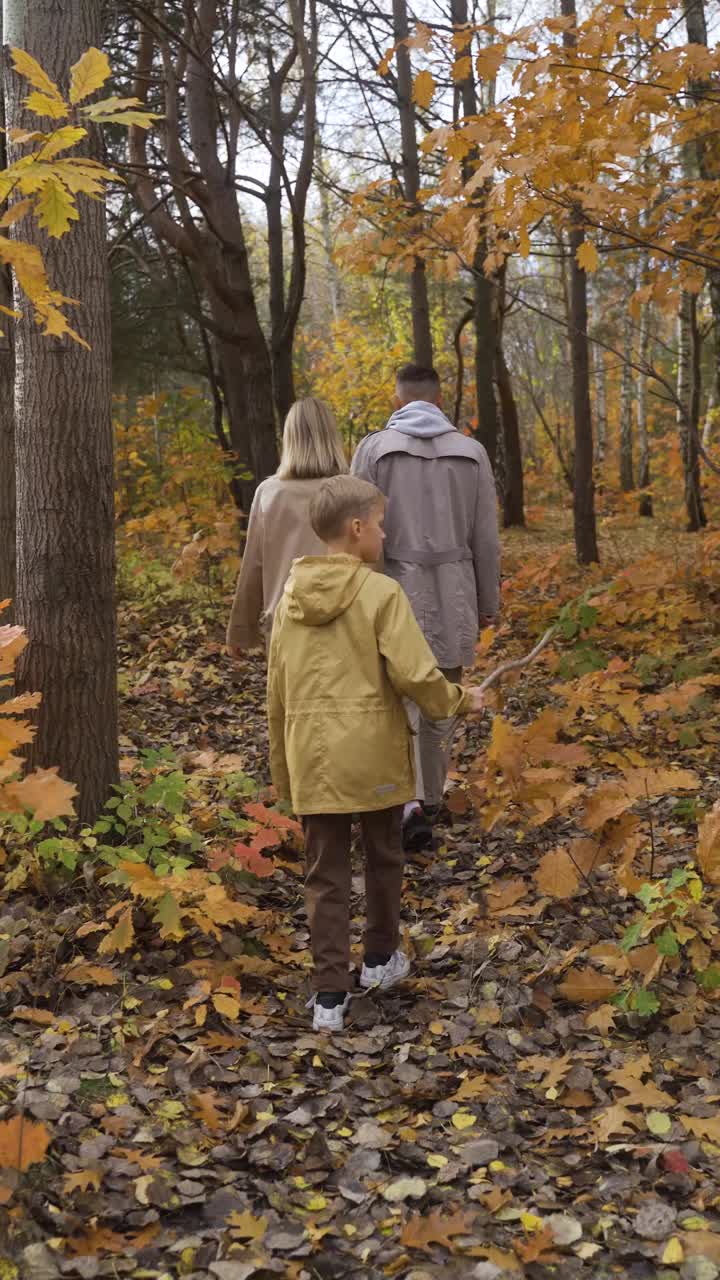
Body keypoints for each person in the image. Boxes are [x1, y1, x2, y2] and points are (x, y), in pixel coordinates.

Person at [267, 475, 484, 1032]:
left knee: (324, 873)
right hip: (375, 754)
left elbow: (277, 692)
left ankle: (329, 997)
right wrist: (460, 701)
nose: (386, 535)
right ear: (357, 528)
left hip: (312, 754)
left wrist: (284, 769)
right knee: (384, 855)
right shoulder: (381, 593)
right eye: (381, 524)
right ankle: (382, 960)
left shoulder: (288, 600)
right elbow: (416, 674)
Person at [351, 363, 500, 852]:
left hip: (394, 587)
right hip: (454, 587)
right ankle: (429, 797)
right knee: (443, 695)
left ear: (399, 401)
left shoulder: (375, 449)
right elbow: (485, 537)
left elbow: (353, 533)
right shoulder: (471, 452)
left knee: (398, 696)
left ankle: (406, 799)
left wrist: (355, 598)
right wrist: (487, 600)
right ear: (439, 400)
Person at [226, 397, 348, 656]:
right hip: (343, 623)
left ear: (289, 439)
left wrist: (241, 630)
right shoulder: (353, 492)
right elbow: (374, 563)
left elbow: (254, 565)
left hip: (285, 623)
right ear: (331, 437)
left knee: (289, 697)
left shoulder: (270, 493)